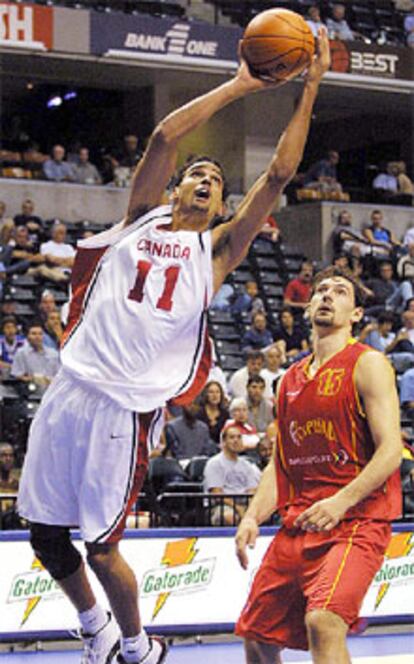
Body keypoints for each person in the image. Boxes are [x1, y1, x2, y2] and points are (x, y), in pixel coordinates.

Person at [17, 31, 330, 664]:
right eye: (199, 173)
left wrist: (310, 88)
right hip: (70, 388)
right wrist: (242, 84)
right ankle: (96, 632)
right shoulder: (140, 216)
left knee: (102, 548)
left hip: (120, 409)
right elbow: (163, 138)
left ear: (220, 205)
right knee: (46, 538)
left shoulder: (215, 252)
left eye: (217, 178)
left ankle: (136, 649)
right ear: (177, 190)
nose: (208, 179)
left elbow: (279, 174)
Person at [234, 266, 402, 664]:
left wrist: (340, 503)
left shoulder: (369, 364)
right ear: (308, 305)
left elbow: (391, 450)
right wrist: (252, 516)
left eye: (340, 292)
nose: (327, 295)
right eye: (321, 290)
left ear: (357, 314)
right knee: (256, 637)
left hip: (356, 521)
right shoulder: (288, 380)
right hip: (301, 522)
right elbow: (282, 464)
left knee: (324, 622)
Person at [203, 424, 261, 526]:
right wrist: (238, 509)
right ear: (224, 442)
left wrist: (250, 510)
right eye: (232, 437)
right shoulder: (214, 463)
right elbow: (217, 494)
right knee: (229, 517)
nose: (236, 440)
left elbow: (252, 490)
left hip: (245, 505)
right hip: (223, 505)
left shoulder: (247, 465)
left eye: (239, 437)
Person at [11, 323, 60, 396]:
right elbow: (16, 374)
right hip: (29, 390)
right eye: (34, 334)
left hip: (51, 390)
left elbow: (58, 374)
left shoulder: (54, 353)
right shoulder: (21, 353)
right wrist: (33, 378)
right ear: (28, 336)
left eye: (40, 334)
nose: (37, 336)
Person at [196, 380, 229, 445]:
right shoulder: (198, 414)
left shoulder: (225, 415)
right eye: (211, 392)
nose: (215, 395)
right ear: (206, 394)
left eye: (217, 392)